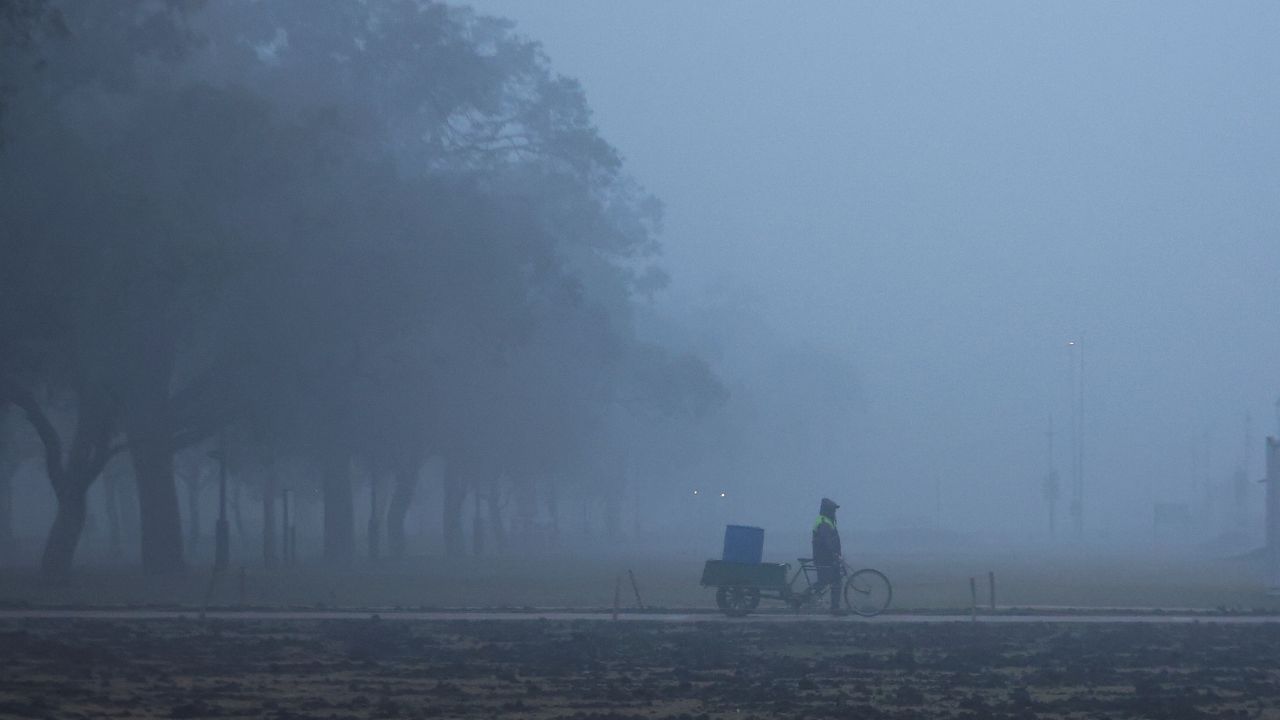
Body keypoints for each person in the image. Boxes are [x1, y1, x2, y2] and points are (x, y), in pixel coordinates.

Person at [811, 497, 844, 614]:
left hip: (827, 557)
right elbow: (827, 541)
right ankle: (834, 608)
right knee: (828, 581)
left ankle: (835, 607)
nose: (834, 512)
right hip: (824, 557)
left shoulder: (827, 520)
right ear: (827, 510)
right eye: (833, 510)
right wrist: (834, 553)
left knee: (832, 580)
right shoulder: (824, 522)